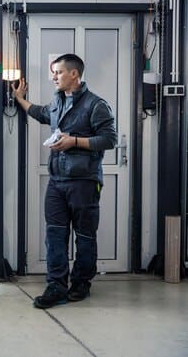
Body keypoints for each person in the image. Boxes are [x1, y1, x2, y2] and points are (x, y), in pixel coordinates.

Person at [11, 53, 117, 309]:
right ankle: (56, 287)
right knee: (55, 236)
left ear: (74, 74)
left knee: (84, 236)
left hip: (84, 182)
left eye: (58, 72)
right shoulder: (57, 101)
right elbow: (42, 113)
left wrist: (75, 141)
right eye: (53, 73)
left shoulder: (96, 105)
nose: (53, 77)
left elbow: (109, 139)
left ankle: (81, 283)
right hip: (57, 182)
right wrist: (20, 100)